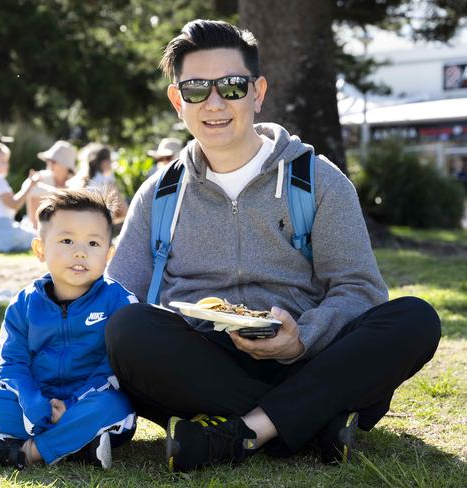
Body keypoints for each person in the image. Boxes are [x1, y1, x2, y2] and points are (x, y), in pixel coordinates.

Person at [105, 19, 441, 472]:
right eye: (198, 89)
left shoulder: (319, 180)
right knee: (127, 330)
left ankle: (242, 431)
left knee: (414, 318)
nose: (216, 103)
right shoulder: (160, 194)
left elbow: (359, 290)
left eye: (232, 86)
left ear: (258, 92)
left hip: (307, 357)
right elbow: (115, 296)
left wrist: (299, 340)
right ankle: (314, 420)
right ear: (177, 100)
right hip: (203, 365)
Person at [0, 189, 137, 470]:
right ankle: (81, 448)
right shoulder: (23, 304)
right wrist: (32, 401)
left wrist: (75, 402)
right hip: (38, 405)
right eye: (67, 240)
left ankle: (26, 452)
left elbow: (116, 366)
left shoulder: (120, 302)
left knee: (113, 406)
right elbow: (11, 362)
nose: (80, 251)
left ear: (108, 254)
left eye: (93, 243)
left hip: (89, 402)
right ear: (41, 249)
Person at [70, 144, 128, 223]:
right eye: (110, 161)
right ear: (105, 163)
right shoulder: (108, 184)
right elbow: (124, 212)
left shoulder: (78, 183)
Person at [25, 140, 77, 226]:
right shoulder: (40, 179)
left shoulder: (75, 184)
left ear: (65, 165)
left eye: (54, 161)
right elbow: (34, 220)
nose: (49, 163)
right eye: (49, 160)